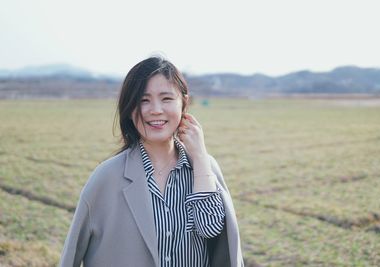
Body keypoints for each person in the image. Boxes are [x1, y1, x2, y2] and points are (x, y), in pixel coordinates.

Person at [60, 56, 243, 267]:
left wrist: (200, 157)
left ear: (184, 102)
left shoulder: (205, 167)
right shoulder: (106, 176)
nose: (155, 109)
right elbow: (71, 254)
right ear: (129, 109)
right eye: (143, 100)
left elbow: (209, 227)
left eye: (166, 99)